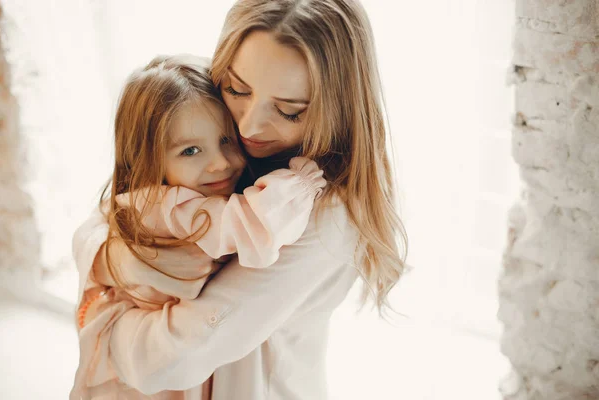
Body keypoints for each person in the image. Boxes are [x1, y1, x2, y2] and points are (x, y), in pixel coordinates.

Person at [71, 0, 407, 399]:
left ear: (338, 109)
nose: (248, 125)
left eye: (289, 111)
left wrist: (100, 319)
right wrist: (115, 259)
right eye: (236, 89)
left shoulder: (322, 212)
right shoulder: (226, 140)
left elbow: (166, 360)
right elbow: (112, 212)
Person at [69, 54, 327, 399]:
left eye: (226, 140)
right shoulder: (173, 207)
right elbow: (243, 226)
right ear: (147, 160)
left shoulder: (152, 197)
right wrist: (301, 185)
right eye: (191, 150)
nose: (220, 163)